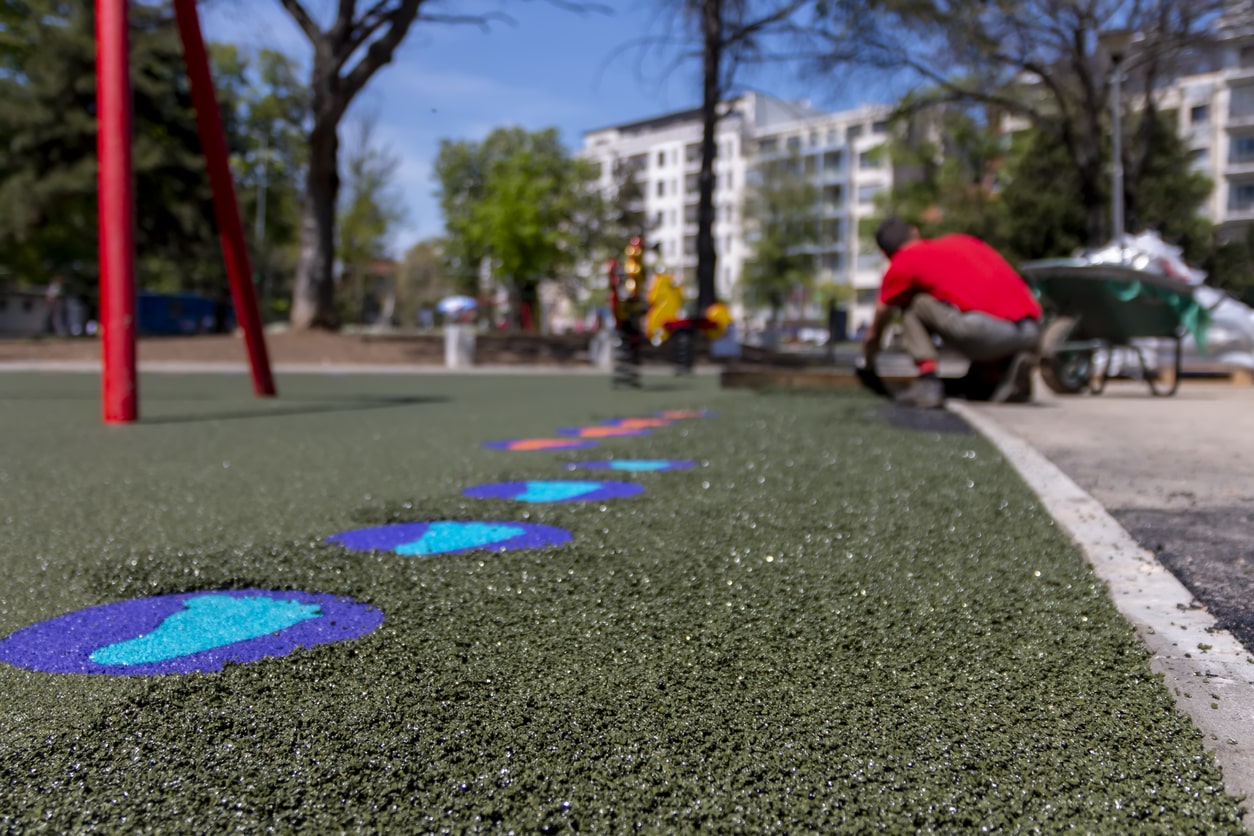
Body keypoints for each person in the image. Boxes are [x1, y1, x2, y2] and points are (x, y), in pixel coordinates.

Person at [861, 217, 1042, 408]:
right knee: (977, 384)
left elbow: (881, 316)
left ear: (883, 253)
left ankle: (928, 382)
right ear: (914, 232)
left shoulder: (903, 262)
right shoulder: (963, 241)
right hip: (1030, 329)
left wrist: (870, 358)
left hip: (984, 333)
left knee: (914, 304)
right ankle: (1002, 372)